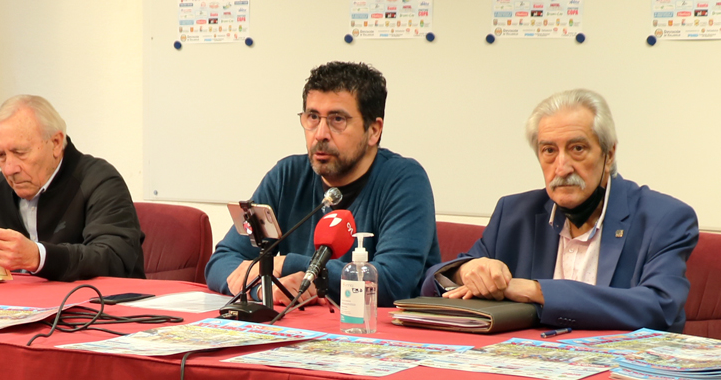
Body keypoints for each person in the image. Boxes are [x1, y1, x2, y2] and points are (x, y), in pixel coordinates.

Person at [424, 90, 696, 331]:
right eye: (549, 151)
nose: (562, 167)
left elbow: (660, 307)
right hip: (529, 362)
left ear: (609, 154)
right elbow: (432, 281)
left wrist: (536, 291)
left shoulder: (664, 218)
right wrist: (466, 271)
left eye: (577, 148)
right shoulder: (515, 213)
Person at [204, 61, 439, 306]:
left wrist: (286, 263)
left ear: (373, 130)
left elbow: (393, 283)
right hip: (301, 326)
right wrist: (263, 290)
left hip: (373, 328)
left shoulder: (405, 181)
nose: (320, 134)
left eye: (337, 119)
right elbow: (223, 261)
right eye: (313, 117)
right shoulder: (286, 176)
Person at [0, 96, 143, 281]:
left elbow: (112, 259)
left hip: (99, 298)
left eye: (20, 153)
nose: (9, 169)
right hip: (19, 299)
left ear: (55, 143)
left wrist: (38, 258)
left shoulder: (100, 181)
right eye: (1, 155)